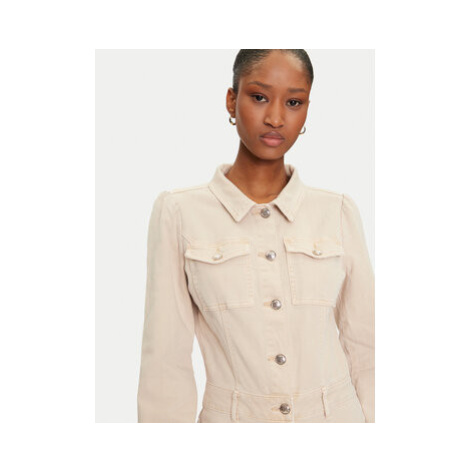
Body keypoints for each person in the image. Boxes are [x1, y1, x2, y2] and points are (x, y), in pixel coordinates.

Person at [137, 49, 375, 423]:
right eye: (259, 97)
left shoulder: (338, 212)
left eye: (293, 102)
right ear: (231, 100)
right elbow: (165, 361)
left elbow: (368, 346)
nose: (276, 118)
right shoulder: (180, 212)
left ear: (307, 110)